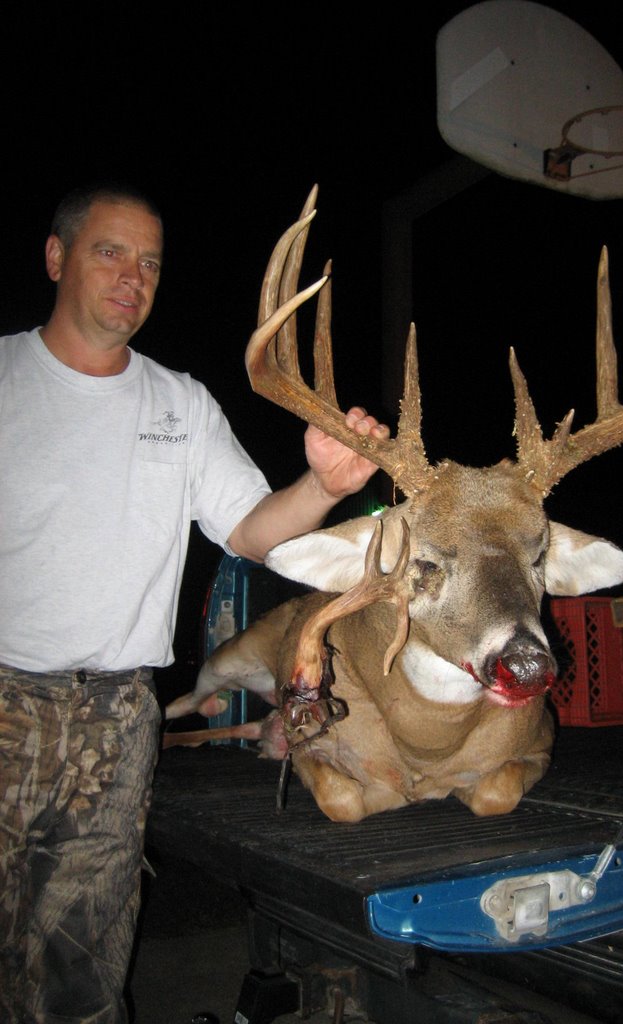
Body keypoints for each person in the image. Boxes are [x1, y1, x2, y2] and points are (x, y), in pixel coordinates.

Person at [0, 183, 388, 1024]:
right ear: (57, 257)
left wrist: (322, 485)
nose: (133, 277)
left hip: (113, 719)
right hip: (3, 700)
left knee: (82, 974)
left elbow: (251, 531)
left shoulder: (179, 403)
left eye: (150, 263)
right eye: (110, 252)